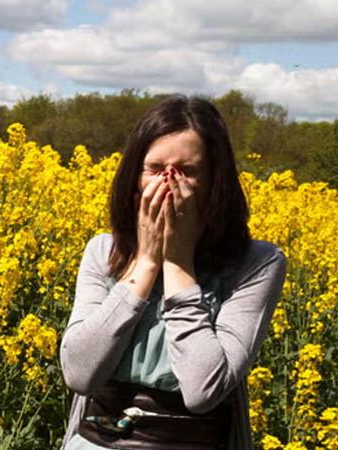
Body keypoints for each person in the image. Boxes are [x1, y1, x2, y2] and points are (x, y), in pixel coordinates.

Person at [58, 95, 287, 449]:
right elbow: (80, 374)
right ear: (134, 177)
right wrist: (146, 264)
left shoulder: (257, 262)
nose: (168, 183)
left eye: (187, 171)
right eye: (155, 169)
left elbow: (202, 390)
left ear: (215, 182)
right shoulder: (103, 251)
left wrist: (178, 263)